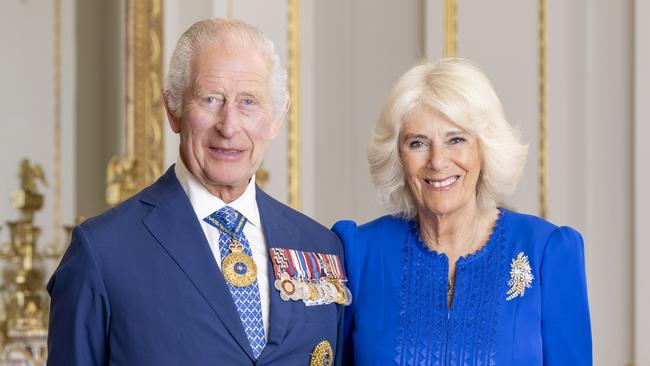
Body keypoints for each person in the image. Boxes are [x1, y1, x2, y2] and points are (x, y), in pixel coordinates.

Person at [47, 18, 346, 366]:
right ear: (173, 110)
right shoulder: (101, 252)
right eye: (210, 99)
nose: (229, 126)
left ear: (277, 117)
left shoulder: (320, 246)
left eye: (248, 102)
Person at [333, 58, 592, 365]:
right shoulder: (358, 253)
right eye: (418, 143)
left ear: (484, 148)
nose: (438, 161)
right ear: (398, 157)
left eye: (456, 139)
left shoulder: (546, 251)